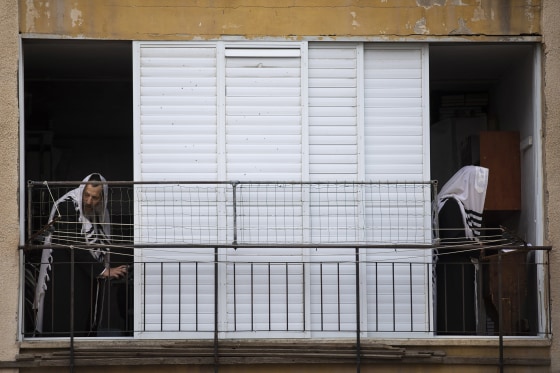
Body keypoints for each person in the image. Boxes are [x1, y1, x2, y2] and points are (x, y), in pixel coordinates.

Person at [33, 173, 128, 336]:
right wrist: (104, 271)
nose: (89, 201)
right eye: (87, 195)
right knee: (62, 319)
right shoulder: (66, 205)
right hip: (63, 273)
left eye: (95, 198)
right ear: (82, 190)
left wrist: (102, 269)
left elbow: (101, 242)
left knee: (84, 317)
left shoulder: (101, 211)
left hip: (86, 275)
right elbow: (73, 245)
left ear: (103, 197)